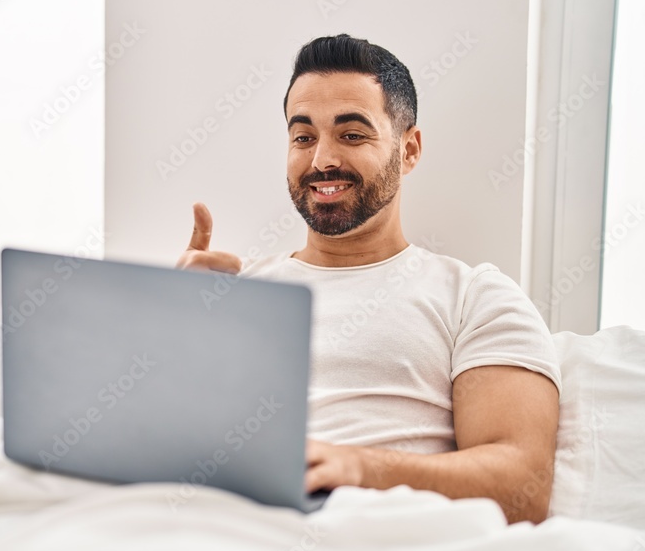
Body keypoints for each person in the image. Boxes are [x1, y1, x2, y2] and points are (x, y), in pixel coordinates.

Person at [175, 34, 560, 524]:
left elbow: (522, 487)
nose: (322, 161)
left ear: (410, 149)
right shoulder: (233, 290)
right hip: (213, 529)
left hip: (367, 537)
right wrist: (174, 323)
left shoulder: (475, 298)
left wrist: (355, 467)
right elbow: (148, 444)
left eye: (352, 135)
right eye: (303, 136)